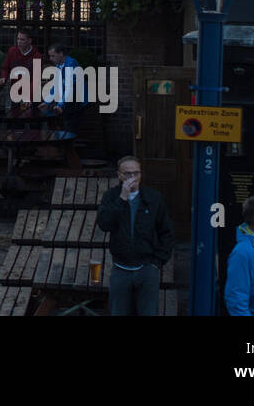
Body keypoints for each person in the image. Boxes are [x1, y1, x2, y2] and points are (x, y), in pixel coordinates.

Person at [95, 155, 174, 316]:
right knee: (118, 311)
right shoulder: (111, 196)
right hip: (120, 267)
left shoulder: (153, 198)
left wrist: (157, 261)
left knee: (148, 312)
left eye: (136, 173)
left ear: (141, 174)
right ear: (119, 175)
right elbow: (104, 224)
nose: (132, 177)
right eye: (127, 173)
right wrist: (122, 198)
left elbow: (166, 232)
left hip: (147, 268)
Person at [39, 43, 85, 138]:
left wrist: (60, 105)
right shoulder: (59, 66)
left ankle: (69, 151)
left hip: (77, 102)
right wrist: (47, 102)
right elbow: (55, 87)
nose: (51, 59)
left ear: (61, 54)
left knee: (69, 132)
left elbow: (69, 88)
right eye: (49, 56)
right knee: (64, 129)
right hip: (69, 101)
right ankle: (65, 149)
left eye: (53, 56)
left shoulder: (70, 64)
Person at [1, 28, 44, 117]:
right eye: (18, 39)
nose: (19, 41)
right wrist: (4, 77)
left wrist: (29, 97)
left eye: (22, 39)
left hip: (32, 93)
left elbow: (35, 79)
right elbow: (5, 67)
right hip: (16, 92)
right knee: (16, 122)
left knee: (34, 122)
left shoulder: (37, 56)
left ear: (29, 41)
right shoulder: (12, 51)